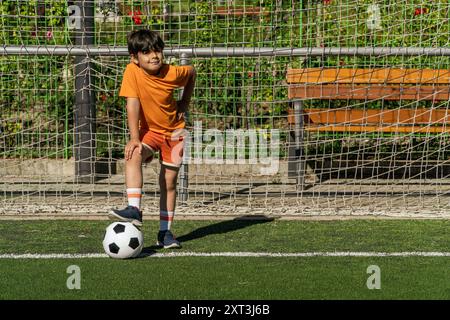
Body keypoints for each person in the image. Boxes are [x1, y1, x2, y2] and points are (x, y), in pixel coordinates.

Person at [109, 29, 196, 249]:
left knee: (168, 182)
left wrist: (184, 102)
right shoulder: (131, 71)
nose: (154, 56)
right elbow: (132, 104)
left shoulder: (173, 73)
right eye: (146, 52)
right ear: (134, 58)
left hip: (175, 133)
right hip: (150, 132)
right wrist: (135, 138)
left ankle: (165, 233)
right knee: (133, 153)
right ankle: (134, 209)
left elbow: (192, 73)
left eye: (157, 50)